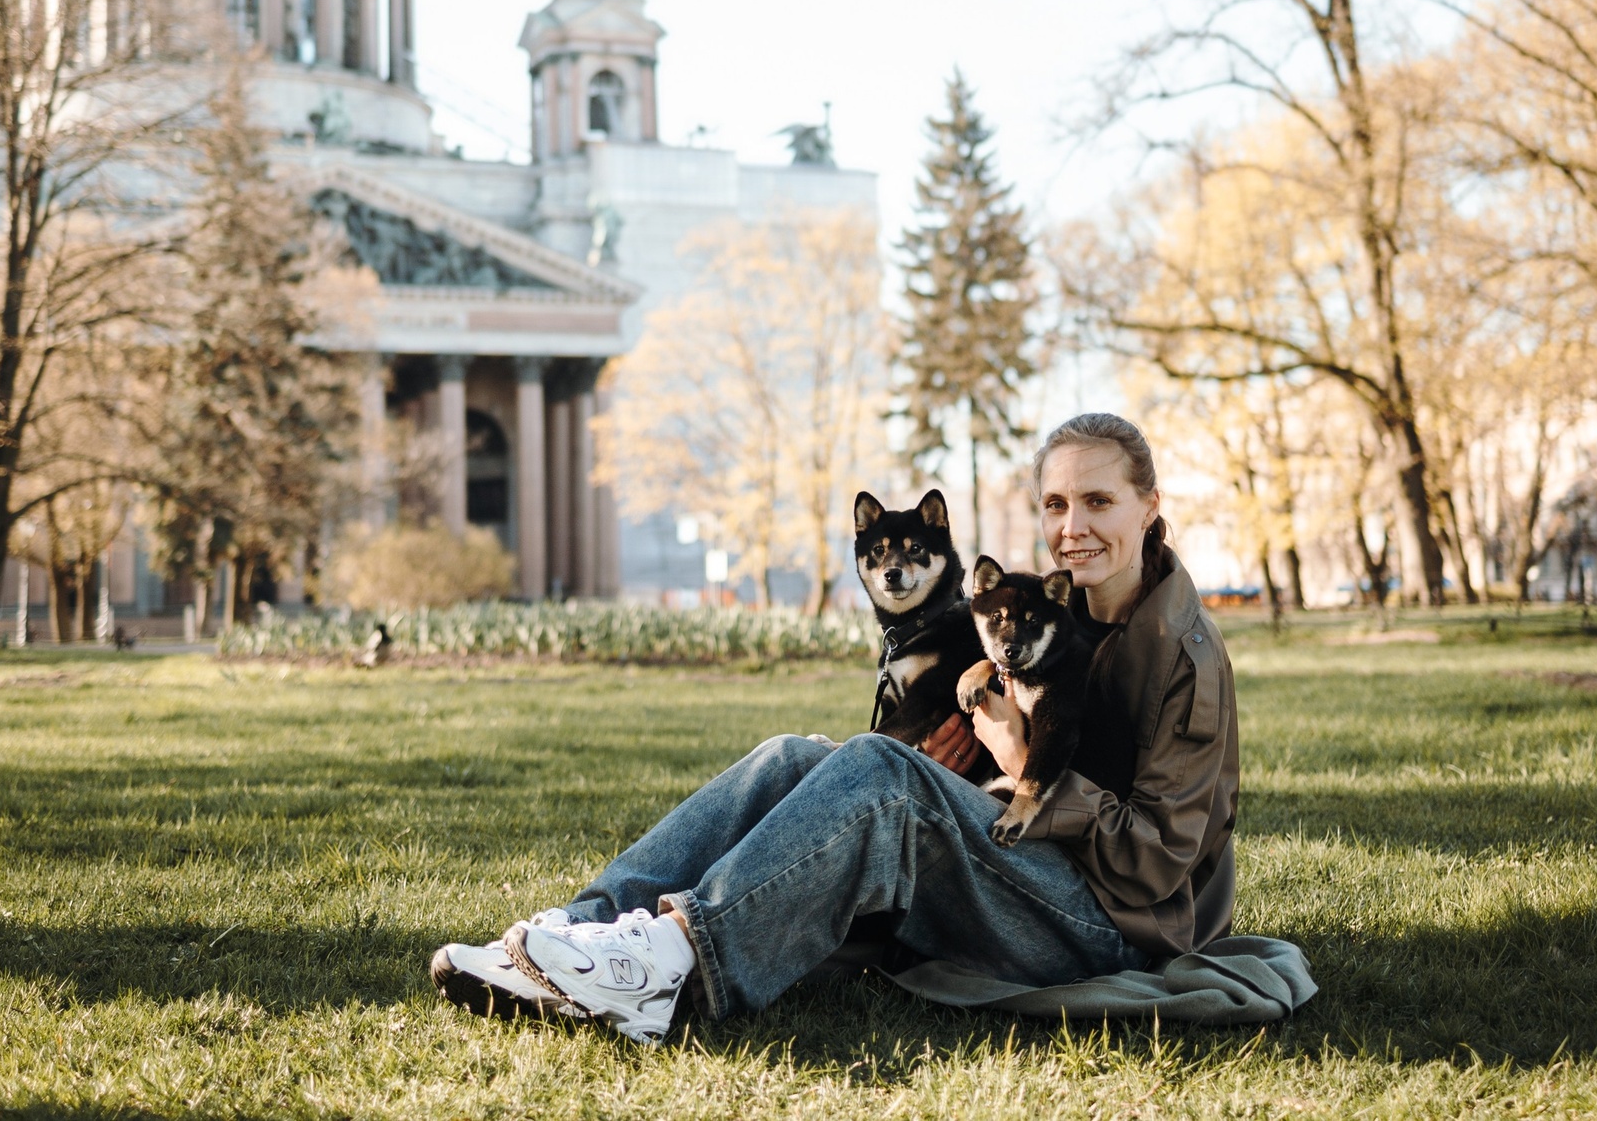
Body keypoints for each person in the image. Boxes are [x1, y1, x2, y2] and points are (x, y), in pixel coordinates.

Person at [429, 412, 1240, 1043]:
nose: (1073, 527)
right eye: (1056, 503)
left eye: (1099, 501)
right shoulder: (1055, 614)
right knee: (795, 757)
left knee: (882, 775)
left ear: (1149, 507)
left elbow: (1153, 864)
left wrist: (1021, 758)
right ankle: (576, 931)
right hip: (1027, 868)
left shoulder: (1183, 659)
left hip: (1109, 927)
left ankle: (661, 963)